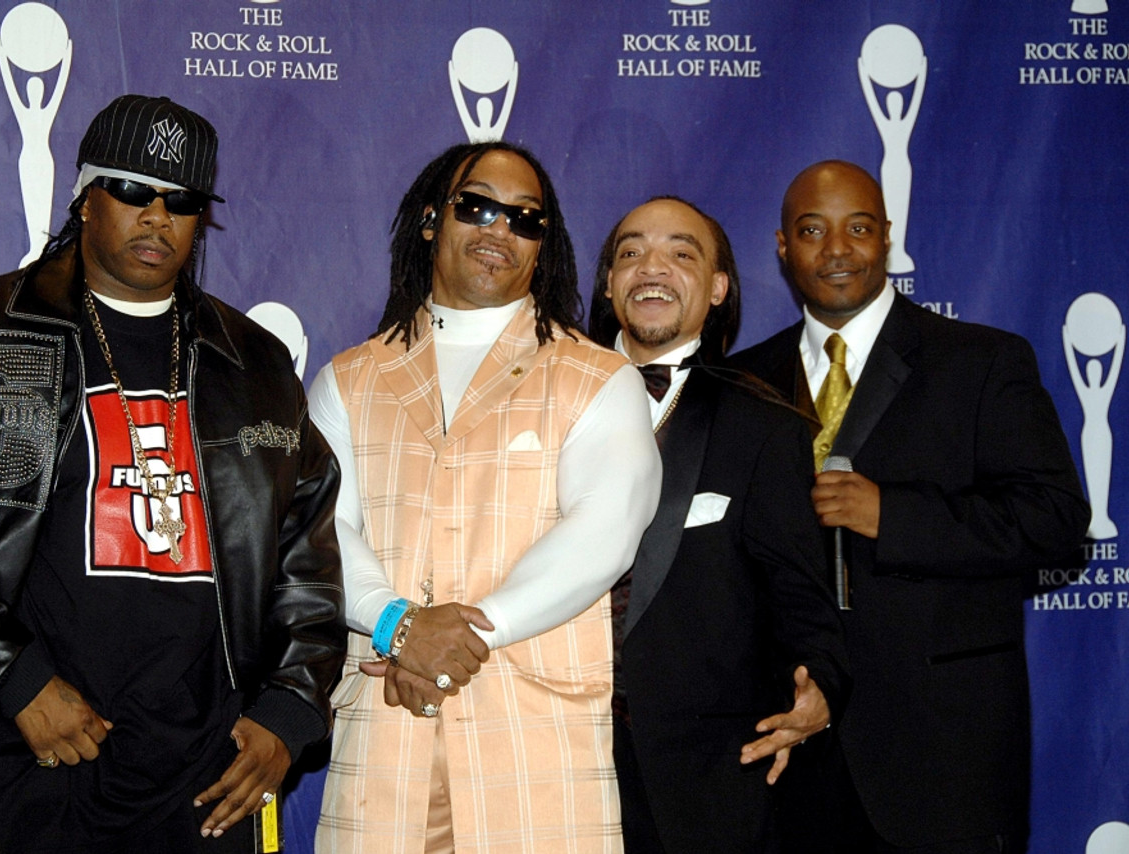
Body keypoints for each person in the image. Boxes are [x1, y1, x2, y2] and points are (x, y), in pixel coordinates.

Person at [0, 94, 345, 853]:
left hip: (200, 778)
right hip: (19, 751)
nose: (157, 216)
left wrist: (289, 710)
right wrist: (13, 678)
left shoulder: (252, 364)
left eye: (181, 201)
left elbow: (306, 558)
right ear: (85, 198)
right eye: (133, 190)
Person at [310, 141, 662, 852]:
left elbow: (605, 533)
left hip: (534, 748)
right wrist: (397, 626)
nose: (499, 230)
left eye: (524, 219)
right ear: (432, 221)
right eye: (477, 207)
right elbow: (319, 532)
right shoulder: (347, 380)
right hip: (384, 741)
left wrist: (458, 637)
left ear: (544, 244)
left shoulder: (598, 379)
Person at [730, 160, 1090, 852]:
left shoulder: (981, 361)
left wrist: (892, 516)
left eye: (858, 228)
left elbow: (1056, 520)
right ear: (782, 246)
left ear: (887, 237)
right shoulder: (745, 381)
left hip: (945, 759)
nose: (837, 250)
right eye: (812, 230)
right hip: (791, 756)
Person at [587, 197, 848, 853]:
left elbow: (805, 604)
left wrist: (821, 684)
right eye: (631, 252)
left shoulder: (765, 429)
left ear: (718, 288)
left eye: (682, 253)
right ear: (609, 284)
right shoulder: (540, 401)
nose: (653, 267)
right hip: (554, 765)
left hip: (708, 790)